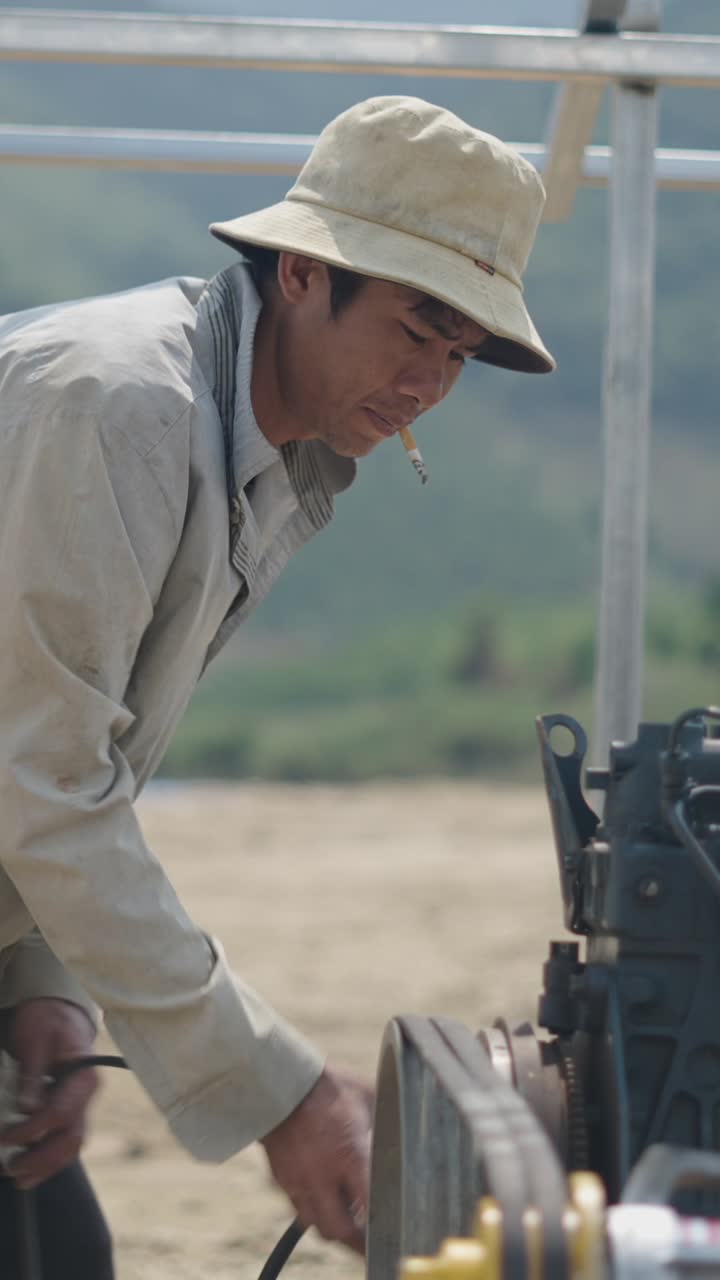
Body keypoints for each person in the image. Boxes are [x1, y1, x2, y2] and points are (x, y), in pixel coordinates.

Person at [0, 94, 554, 1277]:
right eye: (417, 327)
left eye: (459, 354)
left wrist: (41, 985)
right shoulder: (122, 408)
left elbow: (52, 753)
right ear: (302, 271)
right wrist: (283, 1093)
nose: (430, 380)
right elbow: (45, 784)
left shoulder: (270, 459)